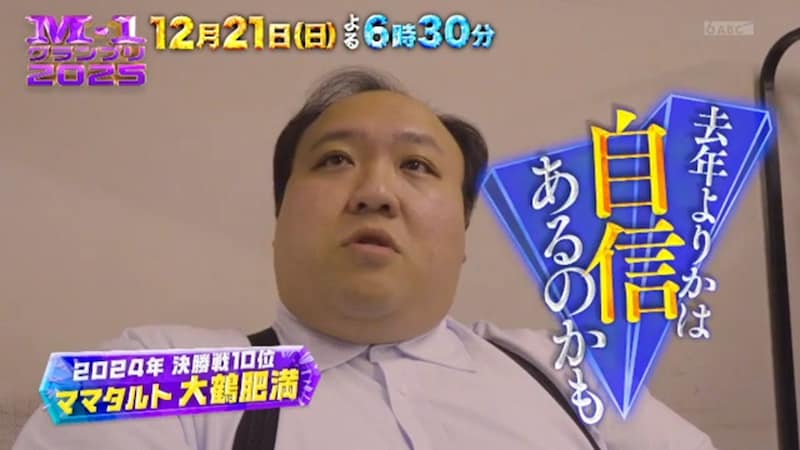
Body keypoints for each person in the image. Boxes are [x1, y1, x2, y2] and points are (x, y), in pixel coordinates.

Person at [13, 67, 716, 450]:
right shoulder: (159, 368)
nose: (376, 191)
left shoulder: (568, 370)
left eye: (417, 166)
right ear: (280, 221)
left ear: (462, 237)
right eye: (334, 160)